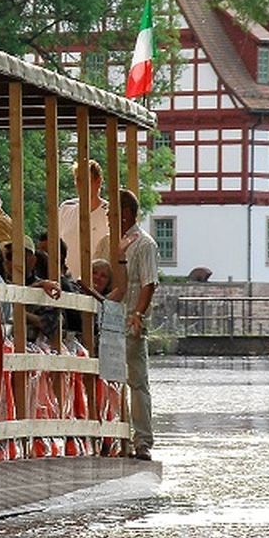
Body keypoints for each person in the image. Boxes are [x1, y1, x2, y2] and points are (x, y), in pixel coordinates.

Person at [110, 188, 157, 461]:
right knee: (117, 379)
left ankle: (142, 440)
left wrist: (138, 314)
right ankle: (121, 436)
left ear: (125, 213)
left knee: (137, 381)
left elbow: (149, 284)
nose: (109, 217)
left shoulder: (145, 244)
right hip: (116, 317)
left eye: (112, 212)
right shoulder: (115, 241)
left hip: (130, 319)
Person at [59, 158, 110, 278]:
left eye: (86, 180)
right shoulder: (65, 209)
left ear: (98, 181)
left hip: (97, 284)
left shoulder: (109, 213)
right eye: (77, 180)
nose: (80, 185)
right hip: (68, 283)